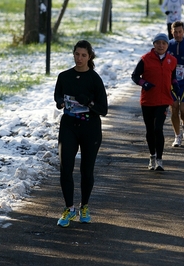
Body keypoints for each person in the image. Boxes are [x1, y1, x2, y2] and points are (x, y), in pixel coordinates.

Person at [54, 40, 108, 227]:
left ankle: (84, 206)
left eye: (83, 55)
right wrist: (61, 102)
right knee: (65, 168)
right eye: (77, 54)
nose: (79, 58)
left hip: (90, 127)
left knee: (86, 171)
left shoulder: (94, 79)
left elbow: (103, 109)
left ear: (89, 57)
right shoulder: (64, 76)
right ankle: (69, 208)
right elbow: (58, 96)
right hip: (69, 125)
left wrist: (89, 103)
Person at [131, 33, 178, 171]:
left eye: (164, 43)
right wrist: (143, 83)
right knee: (150, 130)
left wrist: (175, 84)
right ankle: (152, 156)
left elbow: (173, 75)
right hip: (148, 100)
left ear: (167, 45)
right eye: (158, 43)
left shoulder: (172, 60)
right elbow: (134, 76)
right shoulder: (145, 59)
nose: (161, 45)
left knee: (158, 128)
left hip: (163, 99)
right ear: (154, 44)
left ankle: (159, 160)